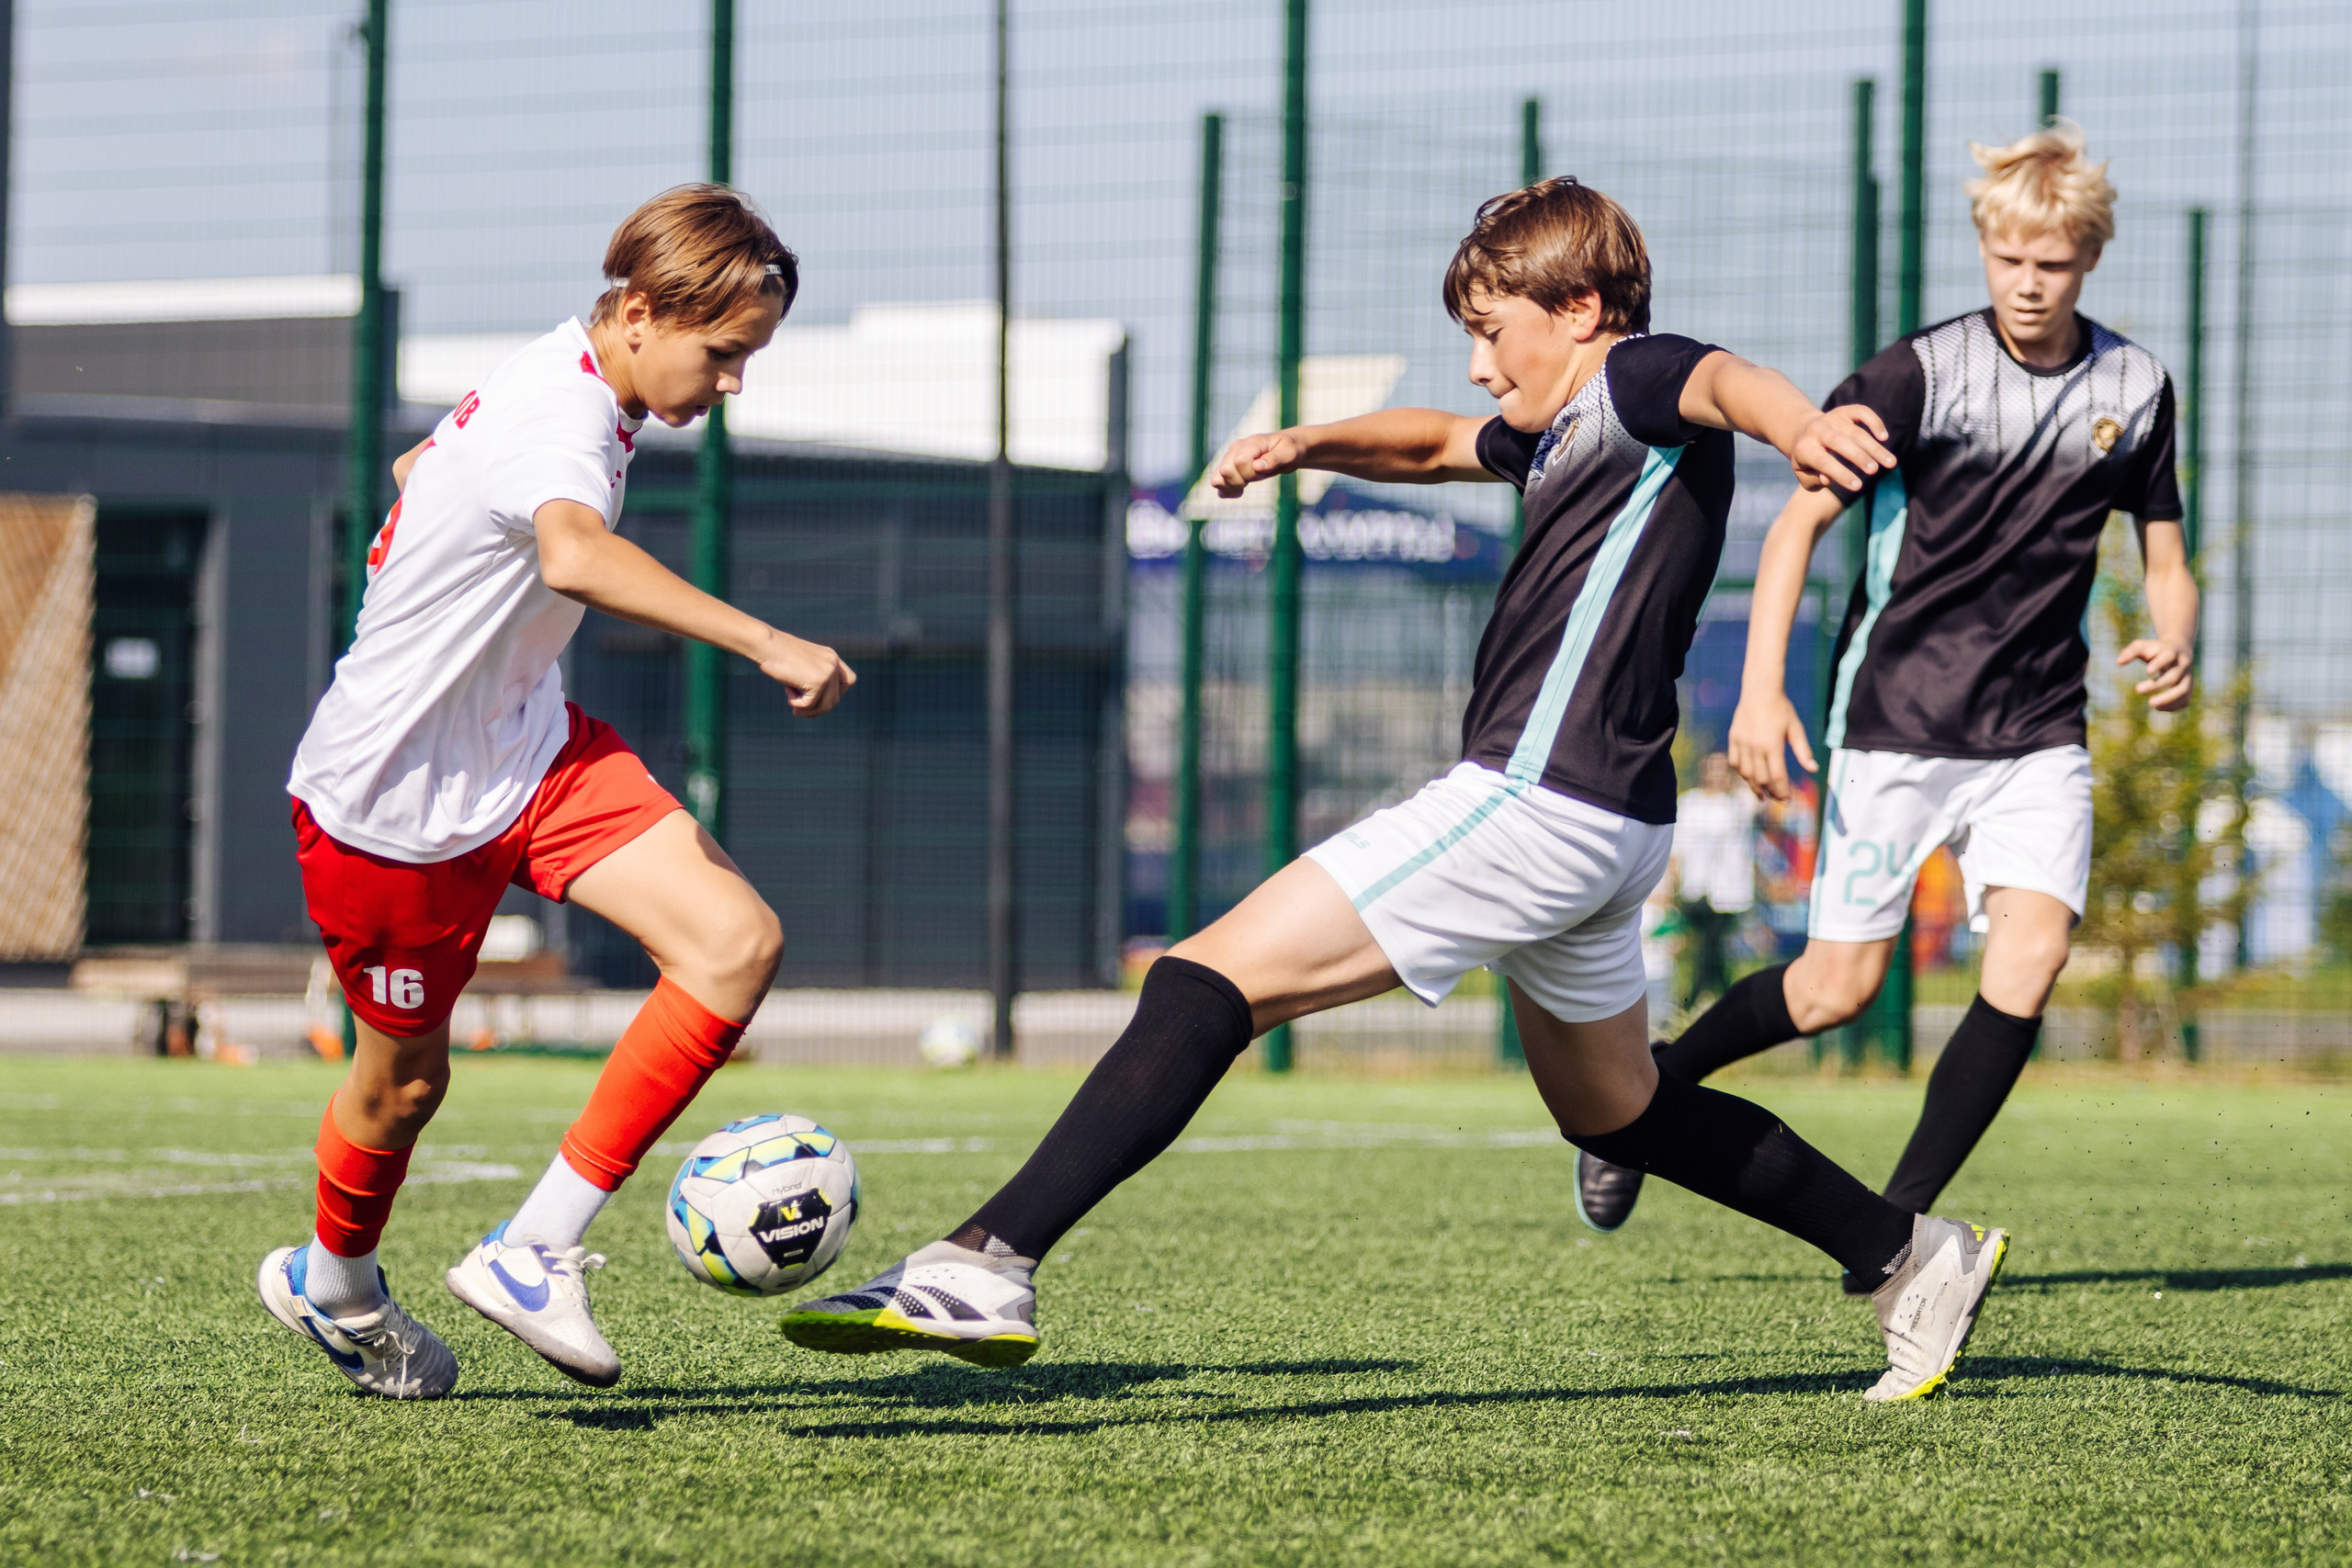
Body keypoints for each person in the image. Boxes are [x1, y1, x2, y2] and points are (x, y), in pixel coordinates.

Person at [785, 177, 2008, 1404]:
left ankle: (987, 1258)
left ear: (1581, 310)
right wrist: (1307, 444)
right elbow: (1430, 443)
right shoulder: (1557, 432)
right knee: (1619, 1112)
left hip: (1535, 799)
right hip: (1611, 823)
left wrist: (1799, 424)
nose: (1479, 364)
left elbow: (1723, 379)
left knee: (1204, 980)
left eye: (1492, 331)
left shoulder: (1634, 379)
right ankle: (1907, 1254)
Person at [257, 185, 854, 1400]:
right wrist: (766, 641)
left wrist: (436, 491)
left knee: (734, 943)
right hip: (392, 804)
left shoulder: (578, 386)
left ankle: (532, 1246)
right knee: (402, 1086)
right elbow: (575, 553)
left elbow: (428, 462)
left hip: (530, 753)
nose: (733, 382)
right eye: (722, 353)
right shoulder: (565, 409)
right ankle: (336, 1285)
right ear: (638, 314)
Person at [1574, 122, 2196, 1269]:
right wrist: (1760, 692)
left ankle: (1896, 1237)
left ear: (2090, 259)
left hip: (2038, 734)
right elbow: (1797, 527)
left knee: (2030, 961)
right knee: (1833, 990)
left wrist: (2174, 636)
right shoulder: (1920, 374)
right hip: (1895, 722)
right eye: (2007, 258)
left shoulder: (2135, 388)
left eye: (2051, 263)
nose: (2026, 282)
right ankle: (1656, 1088)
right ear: (1984, 248)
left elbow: (2164, 552)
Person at [1672, 750, 1758, 1006]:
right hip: (1695, 887)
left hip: (1729, 891)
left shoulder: (1739, 803)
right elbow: (1678, 848)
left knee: (1711, 945)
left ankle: (1695, 1000)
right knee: (1710, 947)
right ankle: (1728, 999)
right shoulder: (1689, 803)